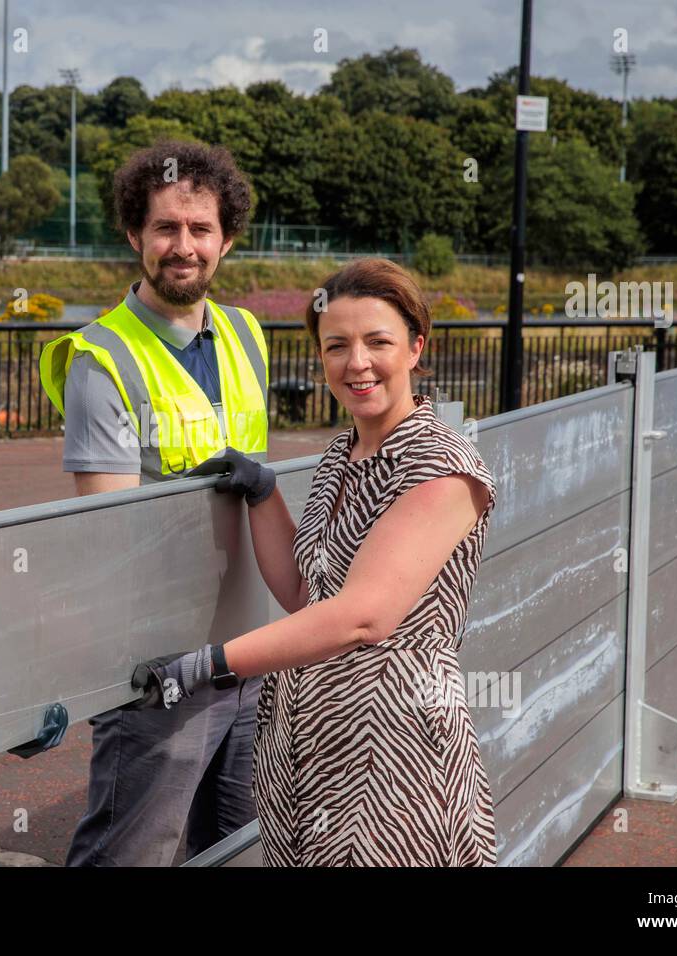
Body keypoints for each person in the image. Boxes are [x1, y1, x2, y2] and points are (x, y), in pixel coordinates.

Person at [134, 257, 500, 866]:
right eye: (336, 346)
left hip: (393, 756)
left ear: (416, 347)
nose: (357, 363)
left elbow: (363, 616)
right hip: (303, 749)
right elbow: (307, 594)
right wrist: (263, 494)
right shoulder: (340, 455)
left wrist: (207, 664)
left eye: (377, 342)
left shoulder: (441, 467)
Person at [38, 140, 270, 866]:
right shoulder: (102, 358)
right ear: (134, 235)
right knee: (132, 850)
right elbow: (114, 532)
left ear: (227, 240)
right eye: (166, 227)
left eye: (201, 229)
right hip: (161, 665)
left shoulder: (246, 333)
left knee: (238, 847)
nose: (184, 246)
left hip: (248, 649)